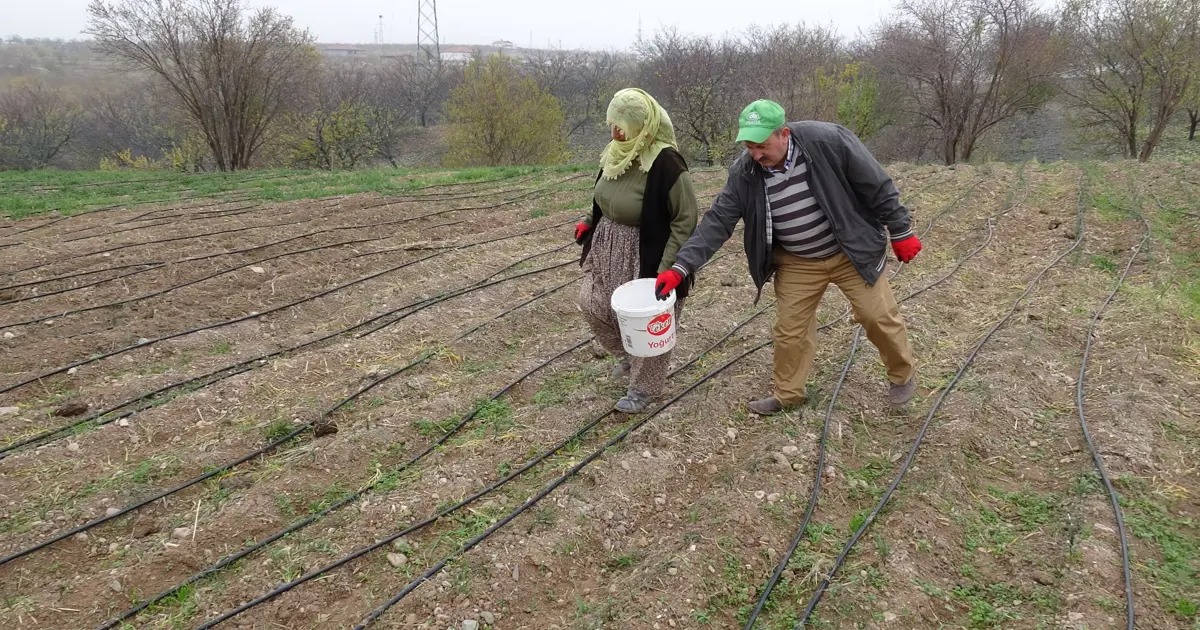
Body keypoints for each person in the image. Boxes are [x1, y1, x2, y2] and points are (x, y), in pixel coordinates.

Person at [653, 99, 921, 414]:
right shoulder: (745, 172)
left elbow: (878, 186)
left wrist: (901, 231)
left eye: (762, 145)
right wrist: (681, 267)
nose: (755, 154)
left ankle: (902, 376)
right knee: (790, 330)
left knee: (876, 316)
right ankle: (788, 394)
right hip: (798, 261)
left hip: (849, 250)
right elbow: (717, 222)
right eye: (749, 146)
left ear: (783, 134)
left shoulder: (828, 141)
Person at [575, 88, 699, 414]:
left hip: (649, 252)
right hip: (608, 245)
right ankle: (628, 357)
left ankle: (645, 389)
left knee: (648, 321)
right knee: (593, 303)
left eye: (623, 126)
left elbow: (685, 219)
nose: (616, 132)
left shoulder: (667, 163)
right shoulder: (616, 152)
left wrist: (670, 267)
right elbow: (605, 194)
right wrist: (589, 221)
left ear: (642, 125)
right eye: (613, 124)